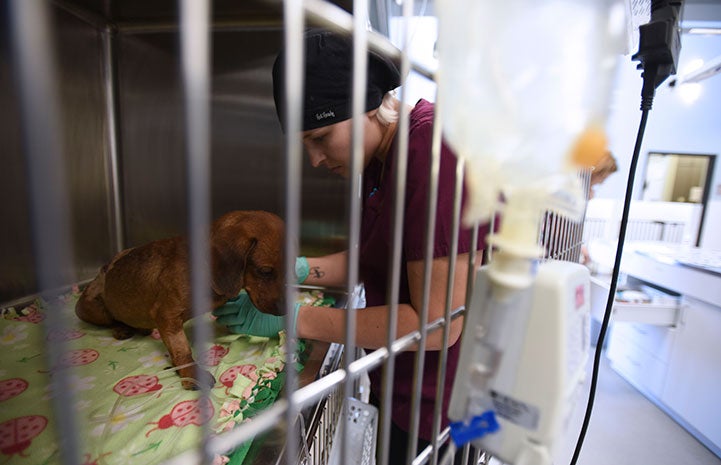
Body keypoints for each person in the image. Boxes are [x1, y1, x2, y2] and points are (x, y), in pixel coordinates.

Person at [213, 29, 489, 464]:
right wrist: (299, 270)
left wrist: (295, 318)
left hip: (444, 413)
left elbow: (436, 324)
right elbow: (375, 258)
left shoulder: (434, 156)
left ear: (366, 108)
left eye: (320, 138)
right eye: (305, 145)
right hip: (406, 392)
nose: (315, 161)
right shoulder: (384, 162)